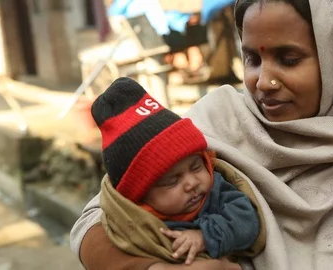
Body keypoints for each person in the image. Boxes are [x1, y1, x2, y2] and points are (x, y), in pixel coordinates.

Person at [71, 0, 333, 269]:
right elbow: (93, 220)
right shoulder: (216, 120)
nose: (263, 82)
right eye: (252, 58)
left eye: (289, 59)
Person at [90, 77, 265, 265]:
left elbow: (247, 221)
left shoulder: (216, 192)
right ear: (140, 196)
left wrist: (205, 236)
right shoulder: (132, 221)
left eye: (196, 166)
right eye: (173, 181)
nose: (192, 183)